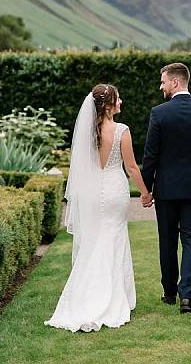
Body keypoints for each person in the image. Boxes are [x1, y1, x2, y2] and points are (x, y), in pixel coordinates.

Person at [44, 84, 152, 332]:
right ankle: (110, 297)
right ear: (108, 104)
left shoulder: (88, 132)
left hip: (92, 193)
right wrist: (146, 193)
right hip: (114, 190)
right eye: (118, 98)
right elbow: (132, 167)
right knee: (113, 237)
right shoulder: (121, 130)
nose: (122, 101)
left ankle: (87, 294)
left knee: (95, 240)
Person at [142, 63, 191, 314]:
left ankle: (169, 293)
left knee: (167, 241)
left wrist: (147, 188)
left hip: (166, 190)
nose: (160, 86)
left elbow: (150, 155)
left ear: (175, 82)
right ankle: (187, 297)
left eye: (163, 81)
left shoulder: (159, 113)